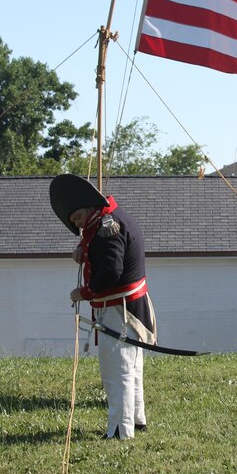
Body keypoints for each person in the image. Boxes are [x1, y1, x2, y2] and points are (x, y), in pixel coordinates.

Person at [49, 174, 156, 440]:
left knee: (117, 370)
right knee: (131, 367)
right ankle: (136, 420)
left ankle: (120, 430)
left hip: (119, 309)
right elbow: (99, 248)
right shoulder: (107, 218)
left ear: (88, 207)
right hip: (129, 306)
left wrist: (83, 292)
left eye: (77, 218)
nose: (78, 224)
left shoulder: (108, 226)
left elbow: (111, 269)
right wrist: (83, 251)